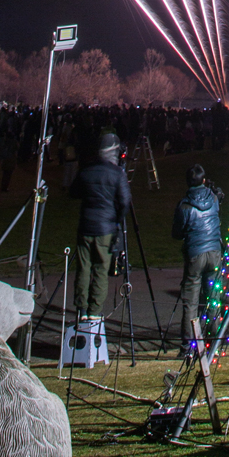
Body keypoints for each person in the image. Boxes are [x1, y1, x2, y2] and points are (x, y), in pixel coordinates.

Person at [69, 132, 131, 322]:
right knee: (101, 271)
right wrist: (117, 221)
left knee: (83, 268)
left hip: (86, 226)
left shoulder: (87, 169)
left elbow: (73, 192)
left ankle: (81, 309)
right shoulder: (117, 174)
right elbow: (125, 201)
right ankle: (94, 312)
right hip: (106, 228)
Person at [171, 164, 223, 355]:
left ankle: (188, 345)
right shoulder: (213, 199)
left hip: (195, 253)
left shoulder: (184, 205)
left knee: (191, 301)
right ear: (203, 180)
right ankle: (213, 342)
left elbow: (176, 233)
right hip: (214, 251)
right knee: (213, 297)